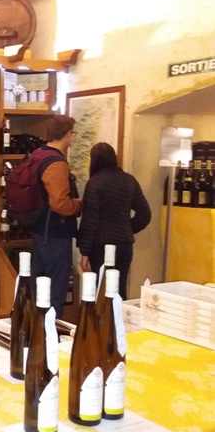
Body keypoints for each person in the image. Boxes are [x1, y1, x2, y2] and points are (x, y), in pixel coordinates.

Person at [78, 142, 151, 299]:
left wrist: (84, 252)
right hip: (124, 246)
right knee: (119, 291)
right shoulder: (129, 180)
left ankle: (103, 317)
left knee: (101, 292)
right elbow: (145, 215)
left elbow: (90, 221)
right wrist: (126, 229)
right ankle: (120, 315)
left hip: (100, 246)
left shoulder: (95, 183)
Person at [30, 115, 82, 317]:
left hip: (39, 230)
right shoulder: (56, 163)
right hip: (55, 234)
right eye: (72, 133)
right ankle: (50, 331)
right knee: (55, 291)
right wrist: (78, 204)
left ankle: (36, 329)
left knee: (38, 288)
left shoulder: (37, 154)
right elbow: (60, 204)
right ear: (68, 134)